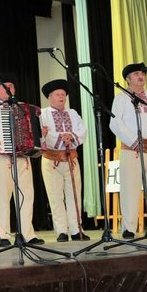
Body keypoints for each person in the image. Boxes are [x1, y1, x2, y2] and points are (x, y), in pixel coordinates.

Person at [0, 73, 45, 247]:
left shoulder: (23, 108)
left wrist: (40, 133)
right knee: (2, 195)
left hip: (23, 156)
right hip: (1, 155)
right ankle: (3, 234)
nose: (9, 89)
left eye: (12, 86)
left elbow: (34, 128)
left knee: (27, 194)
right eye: (5, 86)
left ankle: (27, 233)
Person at [109, 62, 147, 239]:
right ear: (128, 79)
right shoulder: (121, 98)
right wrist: (134, 141)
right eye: (136, 74)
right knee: (130, 188)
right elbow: (115, 123)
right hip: (132, 150)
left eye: (142, 73)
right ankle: (129, 227)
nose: (141, 76)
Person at [40, 79, 90, 242]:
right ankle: (61, 230)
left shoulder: (73, 113)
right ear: (50, 97)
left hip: (71, 159)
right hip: (52, 160)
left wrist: (73, 137)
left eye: (63, 94)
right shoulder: (43, 113)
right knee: (55, 196)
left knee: (74, 194)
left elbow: (82, 130)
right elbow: (44, 134)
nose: (61, 97)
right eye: (57, 94)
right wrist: (63, 137)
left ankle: (76, 229)